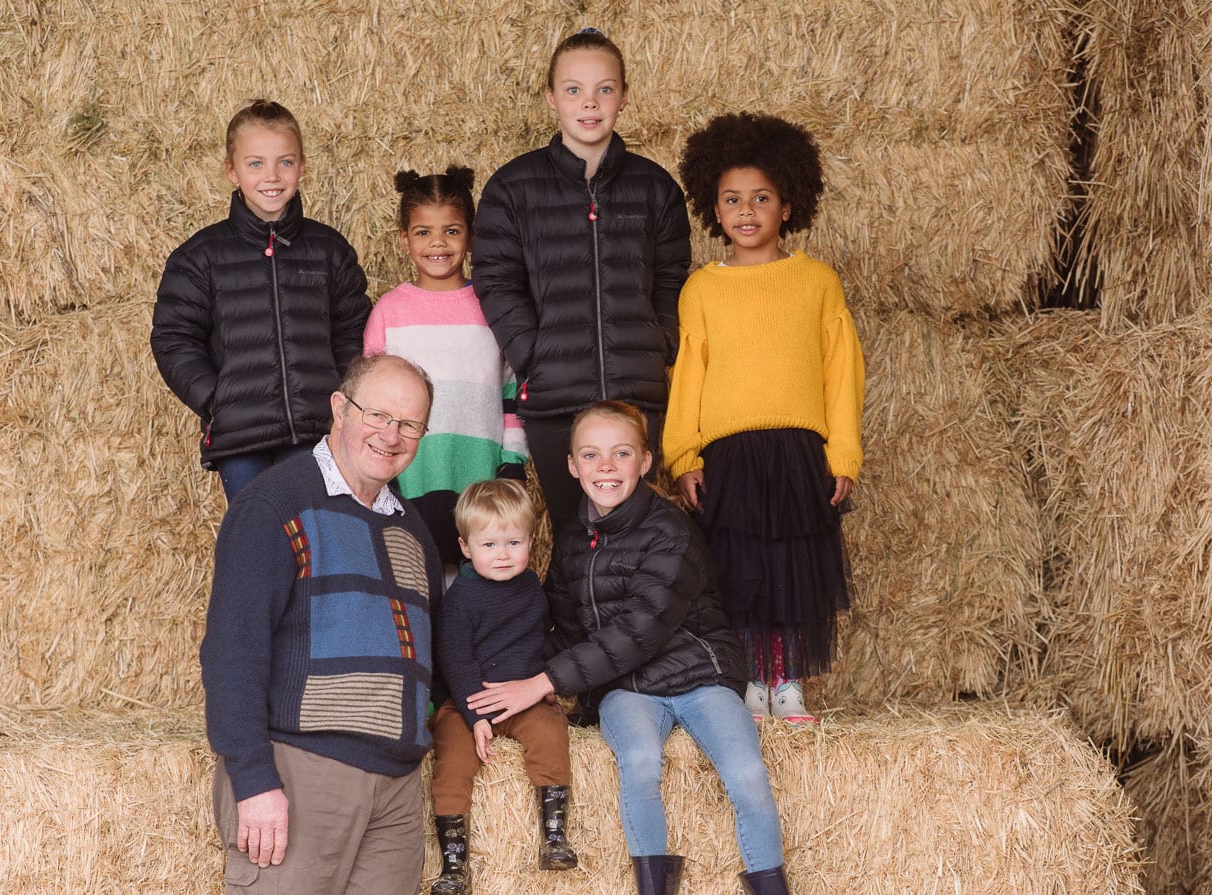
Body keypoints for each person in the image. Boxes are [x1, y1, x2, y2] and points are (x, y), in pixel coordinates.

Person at [466, 401, 838, 895]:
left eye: (621, 453)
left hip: (697, 675)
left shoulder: (672, 532)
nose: (606, 466)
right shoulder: (570, 543)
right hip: (625, 691)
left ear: (644, 462)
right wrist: (490, 691)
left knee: (747, 774)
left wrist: (544, 683)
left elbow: (639, 630)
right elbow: (558, 627)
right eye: (591, 454)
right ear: (570, 465)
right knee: (638, 762)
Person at [201, 354, 441, 895]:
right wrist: (254, 780)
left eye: (410, 425)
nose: (391, 436)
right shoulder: (275, 504)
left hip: (395, 790)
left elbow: (427, 657)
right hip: (302, 776)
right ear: (340, 409)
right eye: (379, 415)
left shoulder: (413, 530)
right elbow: (231, 649)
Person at [663, 112, 865, 724]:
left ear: (787, 204)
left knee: (792, 571)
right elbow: (687, 376)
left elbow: (842, 371)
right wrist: (683, 456)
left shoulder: (816, 282)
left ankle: (789, 684)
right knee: (742, 572)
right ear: (712, 209)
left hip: (798, 452)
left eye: (761, 198)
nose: (746, 211)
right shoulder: (701, 289)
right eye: (731, 199)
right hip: (729, 456)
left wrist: (844, 454)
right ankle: (751, 682)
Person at [472, 27, 691, 535]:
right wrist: (533, 354)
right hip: (555, 399)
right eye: (573, 89)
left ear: (624, 95)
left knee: (642, 537)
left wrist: (662, 344)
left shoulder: (656, 188)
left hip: (639, 396)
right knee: (576, 538)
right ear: (551, 97)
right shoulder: (512, 188)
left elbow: (673, 277)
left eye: (604, 89)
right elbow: (496, 279)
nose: (589, 104)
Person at [151, 99, 371, 502]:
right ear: (231, 170)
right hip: (241, 438)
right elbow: (174, 338)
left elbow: (353, 327)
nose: (272, 176)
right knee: (258, 540)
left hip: (315, 430)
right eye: (255, 164)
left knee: (314, 540)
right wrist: (217, 400)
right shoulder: (200, 256)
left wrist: (338, 392)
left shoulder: (328, 249)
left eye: (285, 162)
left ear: (302, 166)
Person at [363, 167, 528, 565]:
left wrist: (513, 462)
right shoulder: (389, 312)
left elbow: (512, 392)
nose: (438, 243)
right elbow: (370, 400)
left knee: (476, 583)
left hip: (481, 475)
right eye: (423, 232)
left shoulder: (493, 306)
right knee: (421, 580)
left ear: (471, 236)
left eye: (451, 231)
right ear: (404, 239)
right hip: (411, 474)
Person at [427, 478, 577, 895]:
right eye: (489, 545)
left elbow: (539, 639)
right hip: (467, 696)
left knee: (550, 734)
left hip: (521, 695)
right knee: (453, 761)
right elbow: (455, 657)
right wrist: (475, 717)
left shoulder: (531, 588)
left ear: (532, 540)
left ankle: (555, 837)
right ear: (465, 547)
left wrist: (542, 684)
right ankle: (454, 863)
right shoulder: (461, 598)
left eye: (513, 542)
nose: (503, 554)